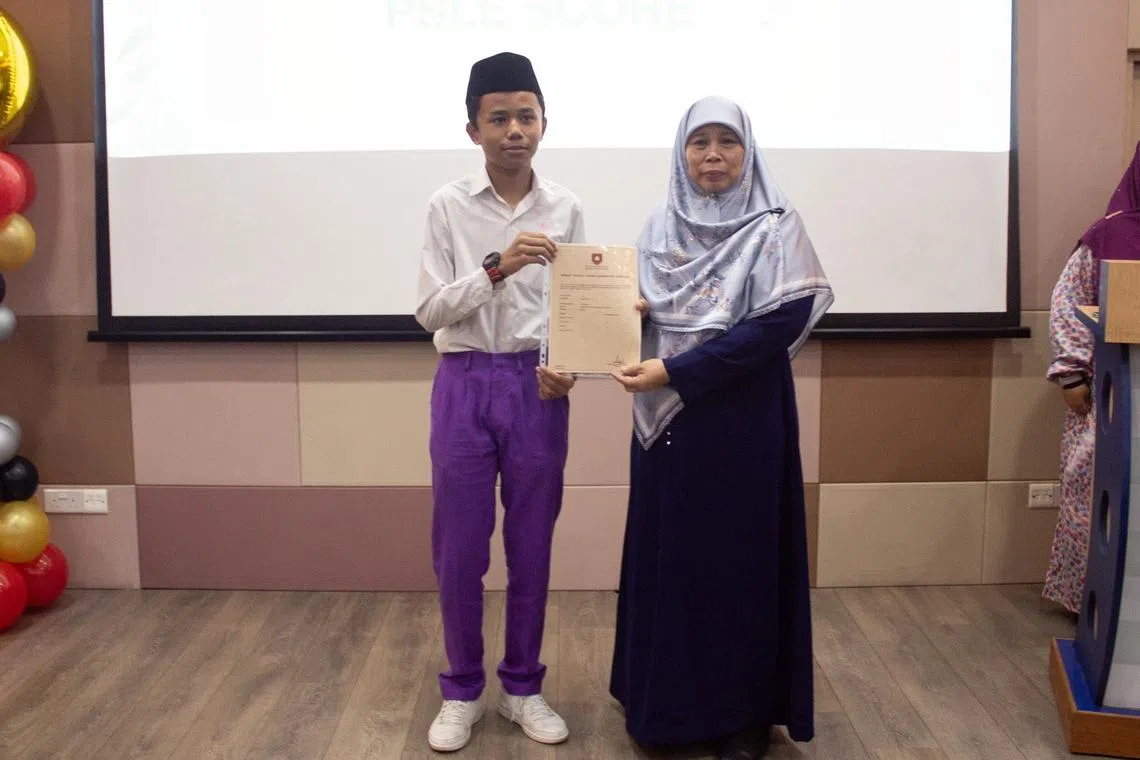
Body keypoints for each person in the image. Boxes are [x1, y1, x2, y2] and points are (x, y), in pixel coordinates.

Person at [608, 96, 834, 760]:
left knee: (741, 565)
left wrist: (681, 370)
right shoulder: (658, 225)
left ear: (747, 151)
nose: (713, 155)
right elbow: (638, 309)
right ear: (681, 152)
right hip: (670, 426)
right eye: (699, 142)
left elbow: (779, 323)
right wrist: (628, 313)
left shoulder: (775, 224)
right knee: (672, 561)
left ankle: (743, 717)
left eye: (726, 142)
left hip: (743, 420)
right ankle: (666, 711)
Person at [413, 51, 583, 752]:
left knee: (532, 544)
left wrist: (569, 366)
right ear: (473, 129)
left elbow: (574, 308)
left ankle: (521, 688)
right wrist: (498, 267)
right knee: (459, 550)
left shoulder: (566, 207)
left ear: (544, 123)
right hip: (464, 382)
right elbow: (429, 311)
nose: (515, 130)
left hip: (535, 387)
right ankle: (461, 691)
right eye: (500, 118)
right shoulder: (446, 206)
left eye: (527, 116)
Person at [1044, 142, 1140, 615]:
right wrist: (1070, 374)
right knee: (1096, 493)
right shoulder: (1109, 234)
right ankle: (1090, 609)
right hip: (1112, 395)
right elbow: (1068, 303)